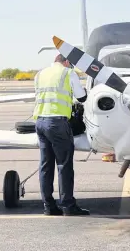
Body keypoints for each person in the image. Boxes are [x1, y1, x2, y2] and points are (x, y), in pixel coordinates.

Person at [33, 54, 90, 216]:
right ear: (66, 62)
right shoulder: (67, 73)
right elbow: (81, 97)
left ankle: (49, 206)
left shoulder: (40, 74)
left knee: (46, 164)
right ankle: (68, 205)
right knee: (64, 165)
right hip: (57, 123)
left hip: (40, 122)